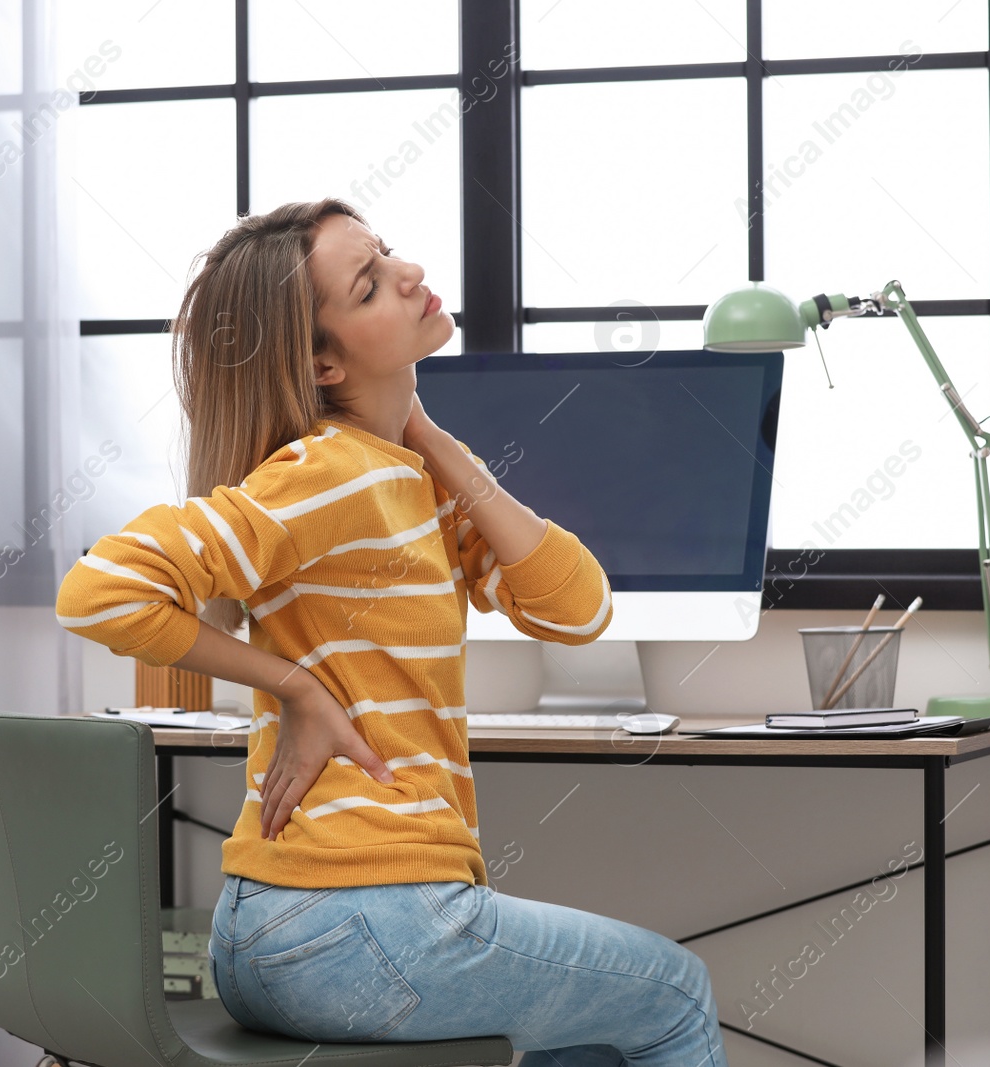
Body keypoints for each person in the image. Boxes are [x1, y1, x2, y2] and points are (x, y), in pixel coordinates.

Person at [55, 198, 726, 1066]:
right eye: (368, 285)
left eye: (389, 256)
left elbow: (576, 609)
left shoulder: (404, 479)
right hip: (366, 921)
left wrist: (430, 439)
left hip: (272, 932)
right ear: (323, 362)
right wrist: (293, 686)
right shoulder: (331, 473)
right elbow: (100, 591)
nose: (408, 277)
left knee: (596, 1032)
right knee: (674, 995)